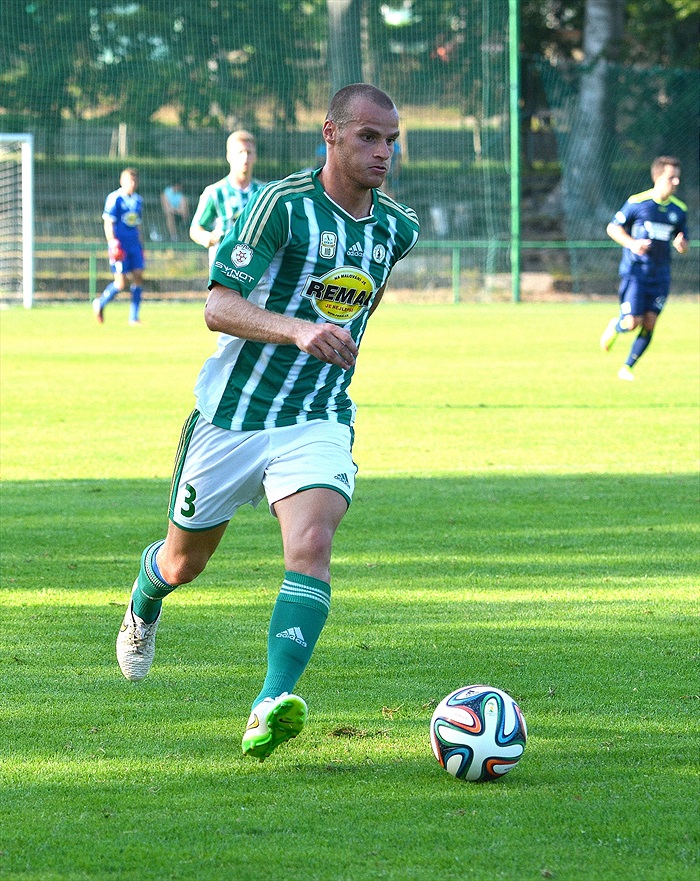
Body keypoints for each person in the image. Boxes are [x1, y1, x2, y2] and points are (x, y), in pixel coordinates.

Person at [116, 83, 420, 762]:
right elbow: (218, 305)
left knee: (312, 542)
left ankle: (268, 702)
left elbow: (352, 302)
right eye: (369, 136)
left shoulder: (398, 229)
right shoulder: (281, 206)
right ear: (331, 134)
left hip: (317, 416)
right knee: (182, 561)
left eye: (391, 141)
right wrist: (298, 330)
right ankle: (145, 596)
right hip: (232, 418)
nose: (383, 152)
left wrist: (326, 344)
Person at [600, 156, 689, 380]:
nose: (676, 182)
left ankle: (627, 367)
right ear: (657, 177)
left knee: (650, 322)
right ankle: (616, 325)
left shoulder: (679, 210)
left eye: (677, 177)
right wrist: (632, 243)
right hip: (636, 272)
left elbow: (683, 241)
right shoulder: (638, 203)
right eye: (671, 177)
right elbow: (613, 227)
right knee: (632, 323)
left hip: (660, 274)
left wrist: (681, 245)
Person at [189, 130, 264, 265]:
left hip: (257, 268)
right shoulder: (215, 192)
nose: (245, 157)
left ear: (255, 156)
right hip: (224, 267)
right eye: (240, 152)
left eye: (249, 152)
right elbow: (196, 228)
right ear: (229, 156)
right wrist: (207, 237)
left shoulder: (264, 192)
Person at [93, 168, 146, 326]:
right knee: (120, 283)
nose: (132, 183)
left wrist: (141, 245)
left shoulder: (138, 200)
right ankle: (100, 303)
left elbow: (138, 224)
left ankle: (134, 317)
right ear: (121, 181)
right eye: (129, 180)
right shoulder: (114, 198)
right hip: (120, 245)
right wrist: (112, 242)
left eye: (135, 181)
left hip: (134, 245)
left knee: (138, 277)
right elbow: (108, 221)